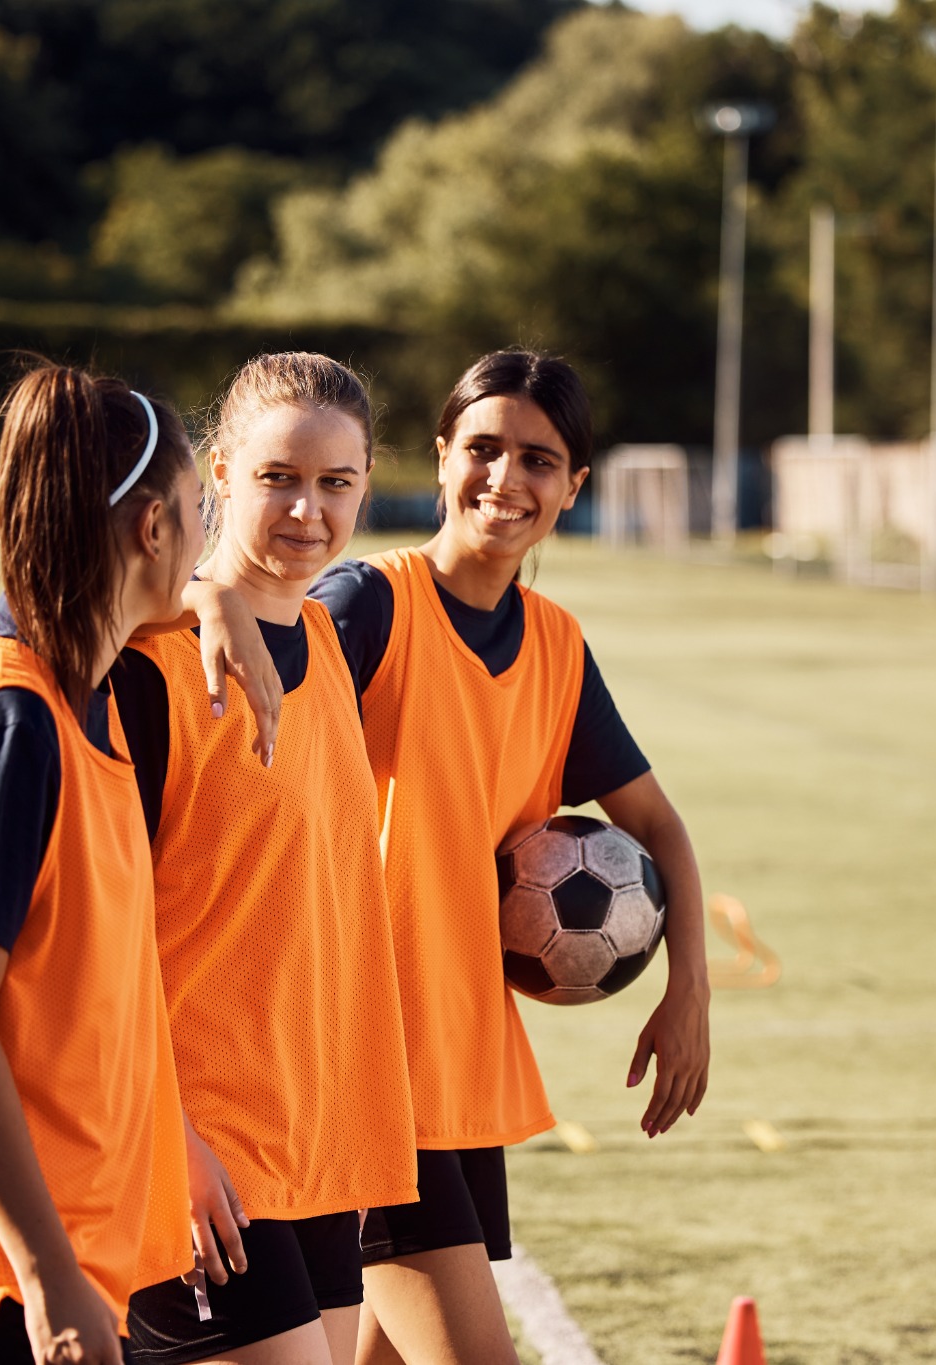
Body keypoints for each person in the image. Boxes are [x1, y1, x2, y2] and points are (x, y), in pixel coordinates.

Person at [0, 363, 279, 1365]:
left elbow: (172, 601)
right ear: (150, 531)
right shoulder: (10, 724)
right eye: (198, 511)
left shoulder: (79, 680)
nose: (211, 537)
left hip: (56, 1248)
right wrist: (45, 1276)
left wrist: (215, 605)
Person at [309, 350, 713, 1365]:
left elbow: (660, 829)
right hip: (356, 1054)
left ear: (572, 487)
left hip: (453, 1054)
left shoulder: (556, 646)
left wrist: (688, 989)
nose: (505, 478)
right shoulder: (364, 604)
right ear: (440, 456)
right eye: (481, 449)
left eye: (538, 459)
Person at [117, 353, 418, 1365]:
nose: (307, 511)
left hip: (317, 1141)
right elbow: (89, 943)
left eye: (336, 484)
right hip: (196, 1149)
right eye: (277, 478)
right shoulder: (154, 666)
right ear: (217, 474)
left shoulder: (329, 643)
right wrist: (171, 1141)